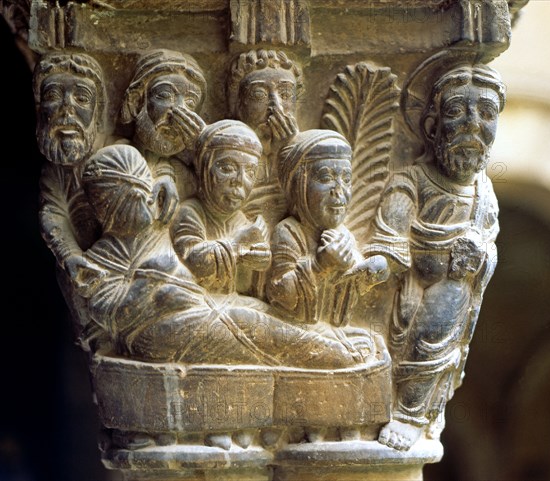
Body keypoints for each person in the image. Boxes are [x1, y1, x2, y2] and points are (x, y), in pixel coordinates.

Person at [76, 143, 374, 371]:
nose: (147, 202)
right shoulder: (101, 257)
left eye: (147, 191)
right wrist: (152, 282)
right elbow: (107, 316)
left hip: (203, 308)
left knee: (260, 312)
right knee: (255, 327)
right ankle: (337, 355)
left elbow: (184, 281)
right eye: (129, 198)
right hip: (158, 334)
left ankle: (333, 338)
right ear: (105, 208)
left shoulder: (155, 233)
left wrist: (242, 252)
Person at [373, 64, 505, 451]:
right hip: (407, 296)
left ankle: (421, 409)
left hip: (452, 302)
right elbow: (390, 240)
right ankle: (407, 410)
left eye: (486, 114)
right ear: (431, 127)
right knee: (444, 295)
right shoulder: (410, 180)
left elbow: (489, 247)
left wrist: (478, 257)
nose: (472, 125)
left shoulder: (485, 192)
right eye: (456, 112)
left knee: (452, 293)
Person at [267, 129, 388, 346]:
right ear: (299, 185)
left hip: (329, 331)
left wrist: (373, 270)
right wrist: (320, 265)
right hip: (292, 331)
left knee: (375, 346)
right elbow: (279, 294)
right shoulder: (289, 232)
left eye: (346, 179)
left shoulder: (343, 235)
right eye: (326, 178)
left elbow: (353, 277)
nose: (339, 191)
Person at [34, 53, 107, 337]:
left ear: (99, 112)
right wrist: (71, 256)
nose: (67, 110)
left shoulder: (117, 154)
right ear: (40, 109)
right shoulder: (55, 172)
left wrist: (167, 179)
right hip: (80, 271)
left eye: (82, 98)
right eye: (53, 95)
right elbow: (52, 212)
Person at [172, 120, 271, 296]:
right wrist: (237, 244)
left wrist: (259, 259)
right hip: (194, 301)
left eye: (250, 172)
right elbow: (192, 261)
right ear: (204, 169)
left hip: (229, 301)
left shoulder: (240, 219)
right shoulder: (191, 212)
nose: (239, 180)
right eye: (227, 168)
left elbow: (248, 280)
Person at [121, 49, 207, 224]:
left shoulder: (192, 176)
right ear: (136, 102)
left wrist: (204, 147)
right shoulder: (116, 157)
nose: (178, 111)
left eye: (190, 103)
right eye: (165, 96)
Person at [227, 49, 302, 228]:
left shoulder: (309, 155)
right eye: (259, 95)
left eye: (285, 95)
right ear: (237, 104)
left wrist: (288, 153)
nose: (275, 106)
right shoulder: (222, 156)